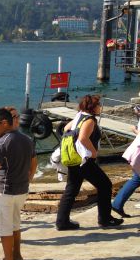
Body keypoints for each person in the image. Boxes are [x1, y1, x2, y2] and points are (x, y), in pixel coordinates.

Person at [56, 95, 124, 229]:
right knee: (105, 185)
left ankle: (62, 222)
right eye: (98, 105)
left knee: (71, 189)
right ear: (93, 108)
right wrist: (93, 152)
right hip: (84, 160)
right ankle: (105, 219)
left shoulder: (79, 116)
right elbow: (82, 138)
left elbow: (65, 129)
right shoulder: (90, 120)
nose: (100, 107)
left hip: (74, 159)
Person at [0, 108, 37, 260]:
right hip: (21, 190)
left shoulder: (0, 143)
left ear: (4, 123)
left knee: (5, 227)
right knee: (15, 224)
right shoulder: (27, 140)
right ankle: (17, 256)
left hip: (4, 191)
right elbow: (34, 164)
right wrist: (28, 179)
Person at [111, 107, 140, 218]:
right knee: (136, 179)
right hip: (138, 152)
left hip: (135, 152)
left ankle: (117, 204)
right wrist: (135, 130)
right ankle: (117, 204)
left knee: (136, 179)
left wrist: (134, 129)